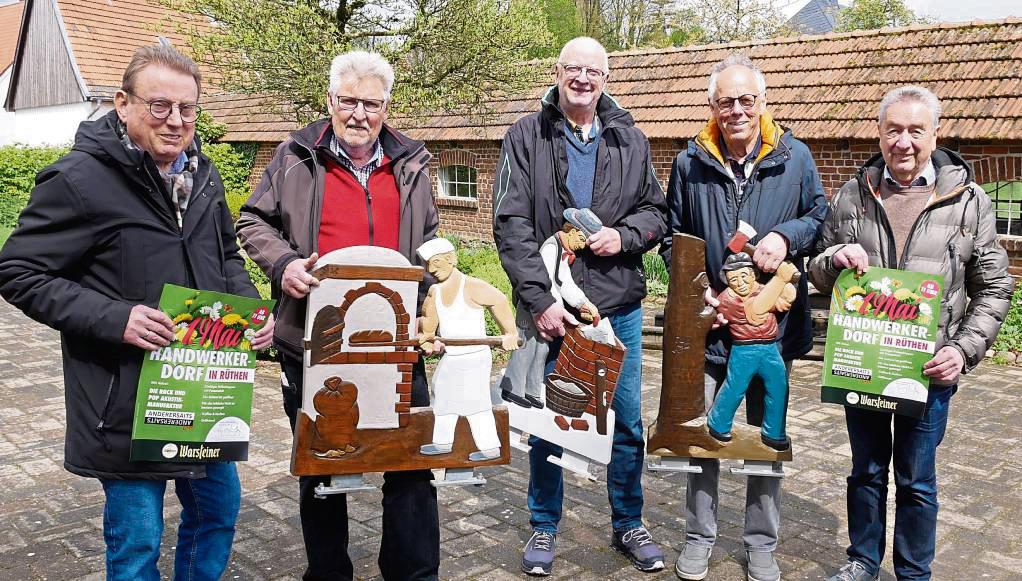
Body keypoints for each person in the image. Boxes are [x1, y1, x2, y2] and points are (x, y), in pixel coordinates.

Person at [0, 44, 273, 580]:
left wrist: (249, 314)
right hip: (123, 399)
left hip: (204, 392)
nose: (176, 121)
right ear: (123, 104)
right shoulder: (78, 180)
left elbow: (224, 255)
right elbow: (18, 271)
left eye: (188, 109)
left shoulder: (206, 177)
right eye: (160, 106)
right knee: (138, 543)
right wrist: (115, 318)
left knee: (217, 516)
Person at [236, 51, 441, 580]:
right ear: (329, 100)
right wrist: (282, 265)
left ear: (386, 106)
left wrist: (431, 303)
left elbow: (429, 244)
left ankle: (413, 573)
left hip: (395, 341)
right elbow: (252, 221)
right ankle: (329, 574)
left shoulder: (413, 164)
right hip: (313, 338)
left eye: (371, 103)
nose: (359, 114)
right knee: (322, 467)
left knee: (411, 463)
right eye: (348, 101)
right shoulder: (296, 156)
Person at [807, 86, 1012, 581]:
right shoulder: (853, 194)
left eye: (915, 130)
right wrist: (833, 260)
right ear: (879, 134)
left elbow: (996, 285)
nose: (903, 141)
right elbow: (815, 268)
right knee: (866, 472)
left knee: (917, 480)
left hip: (928, 371)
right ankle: (861, 560)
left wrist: (963, 351)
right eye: (893, 129)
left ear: (935, 134)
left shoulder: (967, 200)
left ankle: (914, 573)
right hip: (865, 366)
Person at [492, 36, 669, 576]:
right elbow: (512, 224)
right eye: (575, 69)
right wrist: (540, 301)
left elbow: (657, 212)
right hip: (558, 311)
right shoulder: (527, 134)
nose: (584, 79)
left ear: (606, 78)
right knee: (553, 418)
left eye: (594, 71)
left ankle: (629, 522)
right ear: (558, 72)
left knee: (627, 420)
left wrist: (625, 236)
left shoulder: (630, 138)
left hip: (618, 306)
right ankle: (544, 526)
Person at [661, 53, 827, 581]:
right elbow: (671, 237)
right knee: (705, 433)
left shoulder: (795, 157)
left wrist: (786, 236)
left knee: (766, 433)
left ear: (762, 102)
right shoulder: (690, 162)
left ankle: (760, 543)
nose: (737, 109)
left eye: (746, 99)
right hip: (712, 327)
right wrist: (705, 295)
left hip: (769, 334)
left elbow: (819, 217)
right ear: (712, 106)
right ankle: (698, 536)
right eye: (725, 101)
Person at [416, 238, 519, 460]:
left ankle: (490, 447)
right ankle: (442, 442)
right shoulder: (435, 291)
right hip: (452, 355)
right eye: (428, 264)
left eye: (436, 262)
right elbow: (428, 321)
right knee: (441, 391)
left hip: (475, 356)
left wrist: (510, 333)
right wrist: (426, 340)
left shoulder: (471, 286)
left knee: (477, 401)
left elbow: (499, 301)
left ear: (451, 259)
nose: (431, 269)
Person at [499, 217, 601, 408]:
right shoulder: (551, 248)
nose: (583, 245)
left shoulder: (563, 251)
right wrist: (556, 308)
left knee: (542, 350)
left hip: (549, 310)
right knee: (525, 346)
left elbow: (564, 281)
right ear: (572, 231)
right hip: (533, 306)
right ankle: (513, 388)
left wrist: (583, 304)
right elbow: (547, 283)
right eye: (582, 238)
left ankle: (532, 390)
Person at [706, 253, 797, 449]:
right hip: (745, 350)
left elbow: (782, 301)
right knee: (735, 387)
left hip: (770, 348)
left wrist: (787, 282)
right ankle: (718, 423)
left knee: (779, 386)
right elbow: (755, 312)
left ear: (754, 274)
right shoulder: (728, 299)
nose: (740, 283)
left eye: (744, 276)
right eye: (733, 279)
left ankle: (774, 431)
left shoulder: (763, 289)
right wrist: (780, 278)